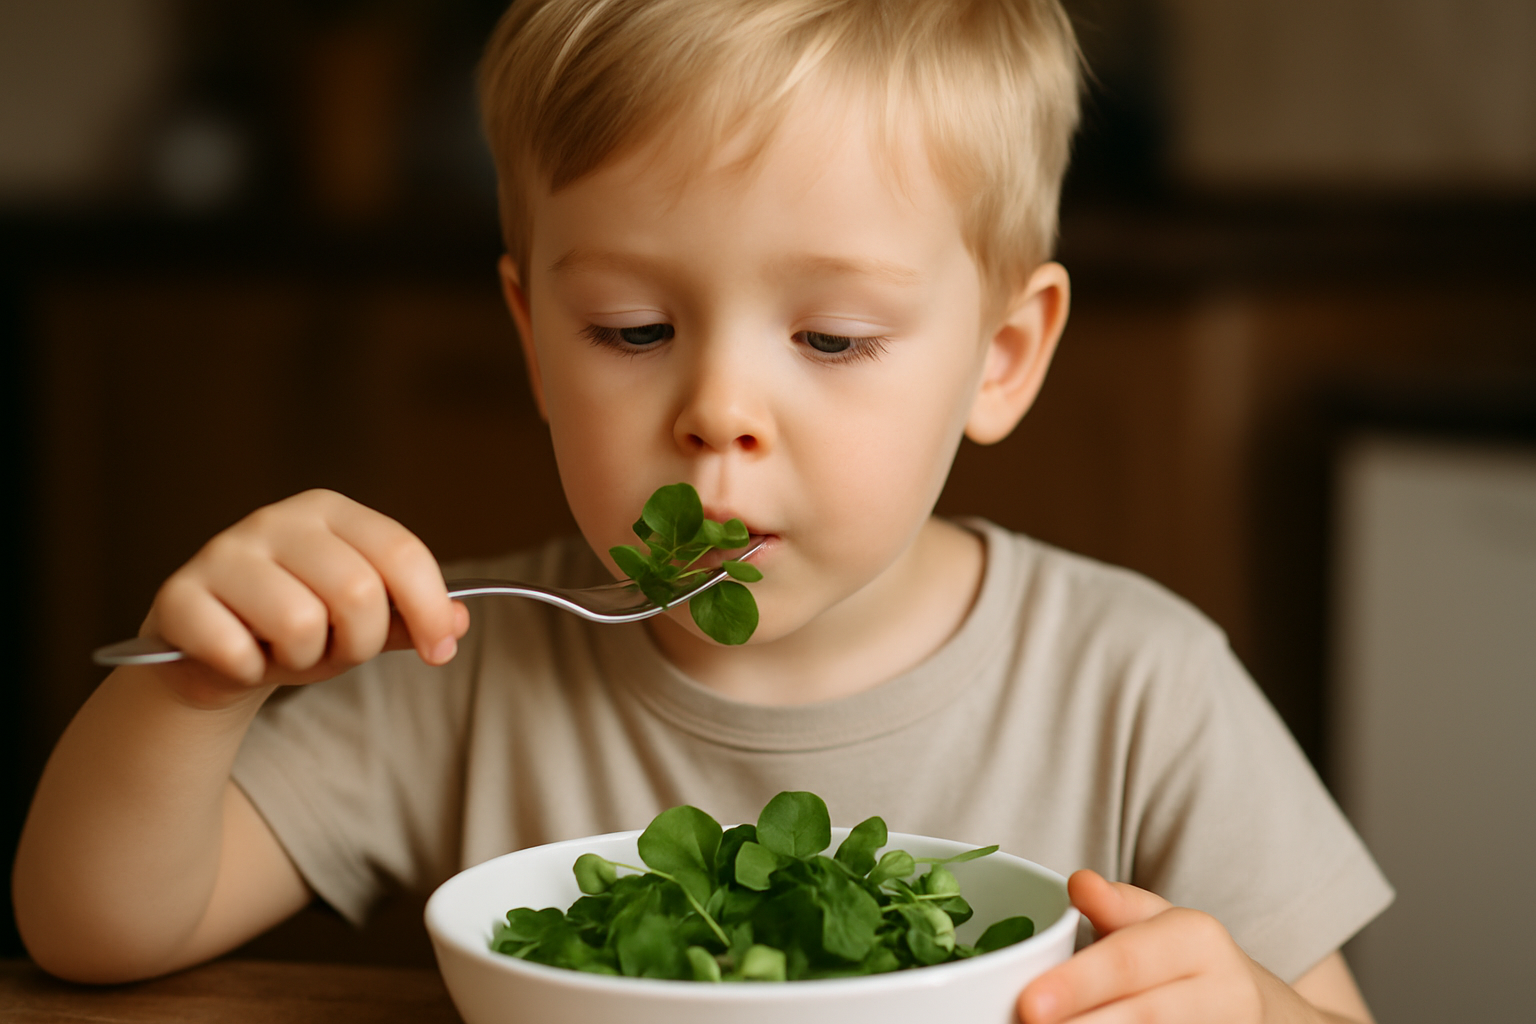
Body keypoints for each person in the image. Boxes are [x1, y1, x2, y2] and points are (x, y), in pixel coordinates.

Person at [13, 1, 1391, 1019]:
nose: (718, 410)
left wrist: (1256, 1014)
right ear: (531, 339)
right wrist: (195, 687)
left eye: (833, 338)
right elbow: (93, 933)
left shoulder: (1139, 684)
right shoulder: (462, 662)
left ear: (1002, 355)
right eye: (630, 329)